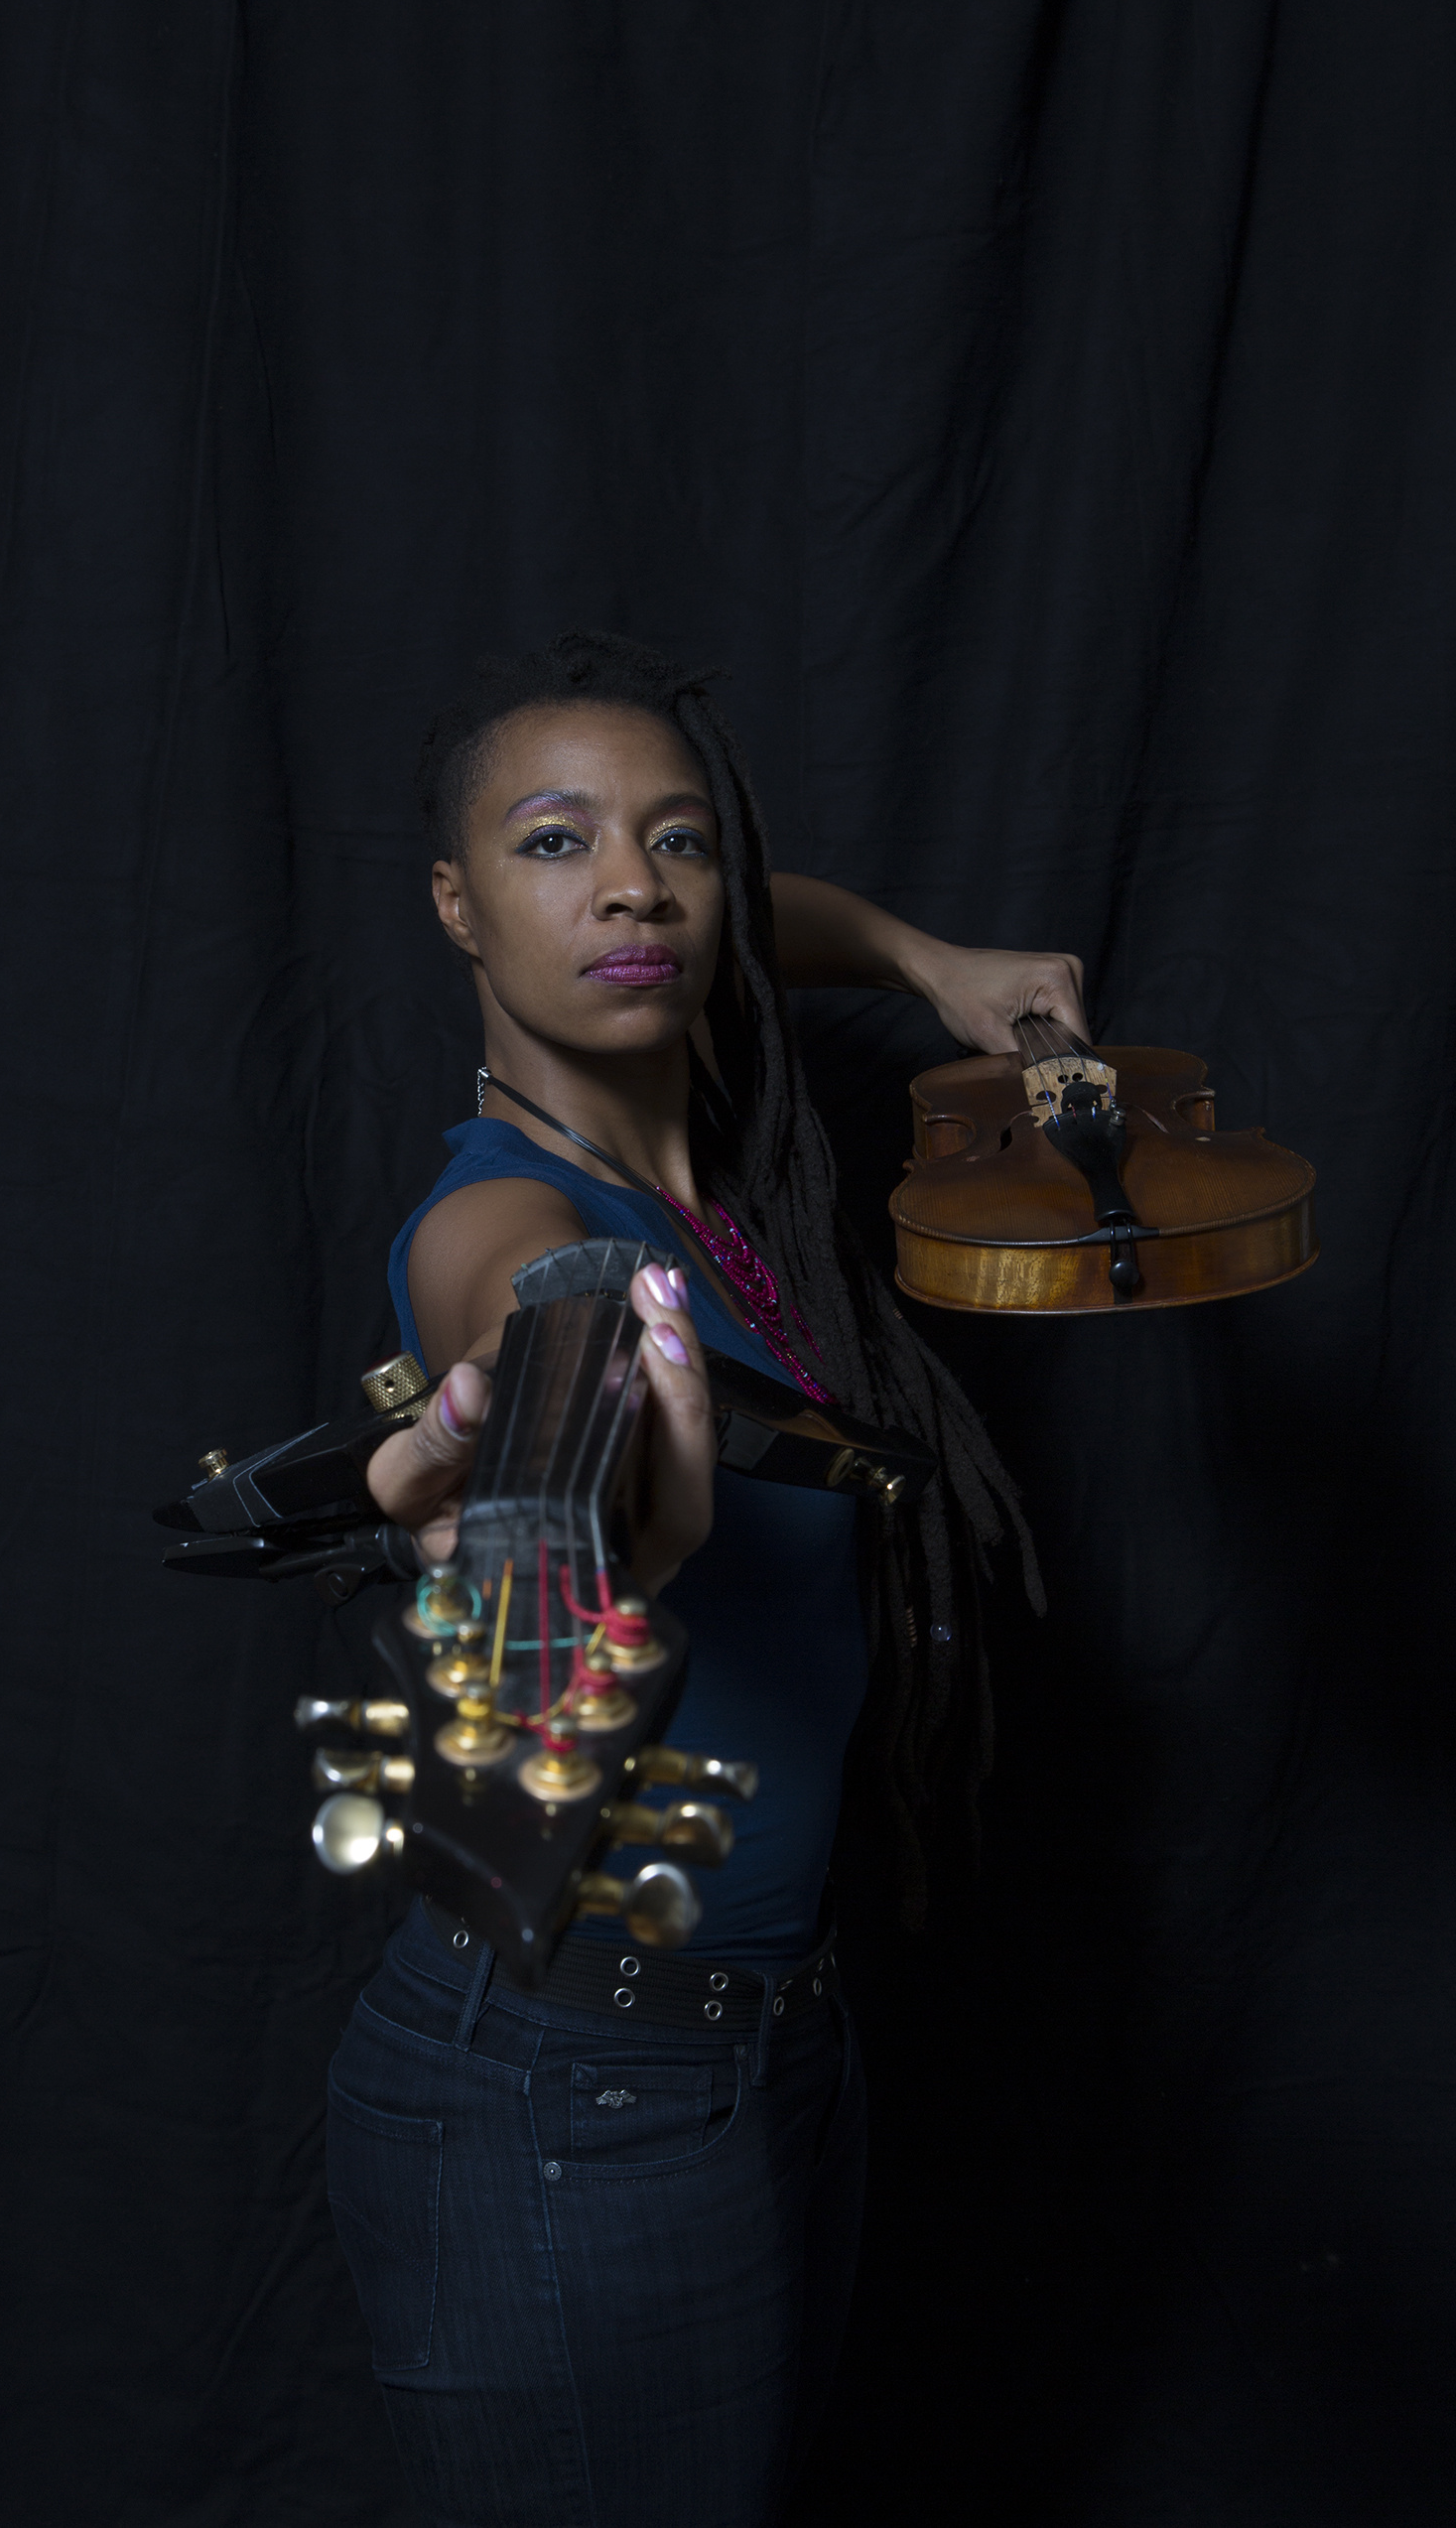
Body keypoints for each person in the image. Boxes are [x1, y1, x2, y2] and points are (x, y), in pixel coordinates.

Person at [333, 630, 1083, 2528]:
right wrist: (565, 1498)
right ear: (458, 903)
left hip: (778, 2048)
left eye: (673, 844)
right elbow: (540, 1334)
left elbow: (765, 928)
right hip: (570, 2089)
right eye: (556, 842)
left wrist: (935, 968)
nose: (631, 890)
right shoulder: (516, 1216)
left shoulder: (707, 1151)